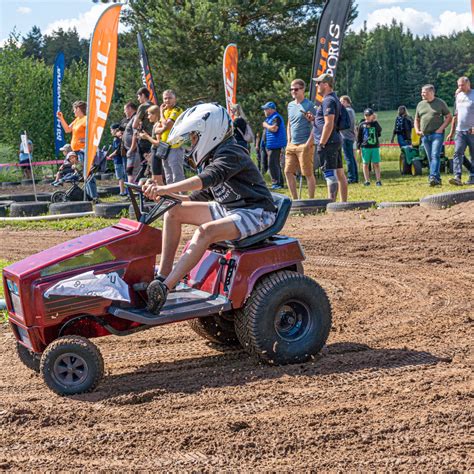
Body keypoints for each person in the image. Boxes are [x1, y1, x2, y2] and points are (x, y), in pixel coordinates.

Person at [141, 103, 277, 314]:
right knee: (173, 211)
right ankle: (164, 273)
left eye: (194, 137)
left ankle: (164, 288)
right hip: (228, 209)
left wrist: (164, 187)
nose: (192, 142)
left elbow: (204, 180)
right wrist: (162, 193)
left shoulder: (231, 153)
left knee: (206, 231)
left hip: (255, 211)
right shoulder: (211, 157)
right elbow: (188, 198)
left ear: (210, 133)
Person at [311, 73, 348, 201]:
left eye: (318, 83)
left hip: (329, 141)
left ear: (326, 85)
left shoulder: (328, 100)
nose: (316, 85)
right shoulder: (334, 99)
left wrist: (322, 143)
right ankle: (343, 202)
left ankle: (331, 202)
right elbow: (325, 121)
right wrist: (314, 119)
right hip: (335, 139)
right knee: (339, 173)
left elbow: (329, 123)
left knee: (329, 174)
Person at [57, 100, 98, 201]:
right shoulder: (77, 120)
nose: (73, 111)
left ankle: (94, 197)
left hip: (83, 151)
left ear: (79, 109)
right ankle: (89, 197)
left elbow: (93, 133)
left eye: (74, 109)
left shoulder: (86, 119)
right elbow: (67, 130)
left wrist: (84, 140)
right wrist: (61, 118)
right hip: (76, 152)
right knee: (82, 174)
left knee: (87, 174)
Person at [415, 84, 452, 186]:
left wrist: (441, 129)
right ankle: (437, 179)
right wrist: (417, 130)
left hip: (437, 135)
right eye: (422, 92)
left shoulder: (440, 103)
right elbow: (416, 119)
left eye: (424, 92)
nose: (422, 94)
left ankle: (432, 177)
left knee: (435, 155)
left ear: (431, 92)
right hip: (424, 135)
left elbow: (449, 117)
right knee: (430, 157)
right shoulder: (420, 104)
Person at [285, 79, 316, 199]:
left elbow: (316, 124)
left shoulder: (309, 105)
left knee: (307, 173)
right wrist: (288, 140)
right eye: (291, 89)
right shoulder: (290, 105)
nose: (293, 91)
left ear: (303, 90)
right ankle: (295, 199)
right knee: (288, 172)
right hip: (292, 144)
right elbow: (289, 123)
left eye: (296, 89)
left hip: (305, 144)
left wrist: (309, 142)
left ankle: (311, 200)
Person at [153, 89, 185, 184]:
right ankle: (172, 197)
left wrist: (161, 114)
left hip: (175, 146)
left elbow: (168, 124)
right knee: (168, 175)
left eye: (170, 98)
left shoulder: (177, 110)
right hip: (164, 147)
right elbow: (156, 130)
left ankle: (182, 197)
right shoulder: (166, 111)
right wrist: (163, 128)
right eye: (165, 98)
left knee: (177, 175)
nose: (167, 100)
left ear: (175, 99)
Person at [447, 76, 474, 186]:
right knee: (457, 153)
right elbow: (455, 115)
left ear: (468, 84)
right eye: (458, 85)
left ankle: (472, 177)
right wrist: (451, 132)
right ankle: (457, 177)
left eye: (462, 85)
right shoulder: (458, 96)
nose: (460, 87)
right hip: (460, 131)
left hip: (472, 131)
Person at [261, 101, 286, 189]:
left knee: (272, 164)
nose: (264, 111)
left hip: (276, 144)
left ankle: (276, 183)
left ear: (271, 109)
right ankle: (280, 183)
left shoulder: (276, 117)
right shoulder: (270, 118)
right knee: (275, 164)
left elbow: (274, 129)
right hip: (271, 144)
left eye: (265, 109)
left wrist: (266, 125)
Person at [137, 105, 165, 185]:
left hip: (157, 154)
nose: (148, 117)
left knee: (157, 180)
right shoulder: (155, 125)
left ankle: (163, 195)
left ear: (155, 114)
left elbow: (158, 143)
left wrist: (147, 137)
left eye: (149, 114)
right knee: (155, 179)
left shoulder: (158, 125)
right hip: (154, 153)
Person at [133, 87, 154, 182]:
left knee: (144, 164)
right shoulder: (154, 105)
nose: (138, 99)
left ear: (142, 95)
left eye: (138, 96)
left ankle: (138, 184)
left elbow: (134, 124)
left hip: (144, 139)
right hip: (153, 138)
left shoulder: (143, 106)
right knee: (151, 163)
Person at [357, 108, 383, 186]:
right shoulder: (362, 125)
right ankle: (367, 180)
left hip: (374, 146)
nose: (367, 117)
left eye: (369, 115)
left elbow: (379, 132)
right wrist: (359, 148)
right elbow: (359, 137)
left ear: (372, 115)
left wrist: (375, 121)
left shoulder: (375, 124)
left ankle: (378, 180)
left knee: (376, 164)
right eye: (366, 115)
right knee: (365, 164)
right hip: (365, 147)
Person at [339, 95, 358, 183]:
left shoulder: (347, 111)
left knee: (348, 158)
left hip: (346, 136)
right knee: (352, 158)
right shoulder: (352, 110)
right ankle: (355, 177)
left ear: (346, 102)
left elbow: (345, 124)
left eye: (342, 101)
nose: (340, 103)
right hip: (350, 136)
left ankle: (351, 178)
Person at [122, 101, 140, 184]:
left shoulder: (135, 118)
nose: (124, 112)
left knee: (133, 173)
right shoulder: (130, 119)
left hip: (134, 151)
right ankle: (132, 194)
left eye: (125, 109)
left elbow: (135, 134)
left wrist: (132, 149)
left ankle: (136, 193)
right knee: (129, 172)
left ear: (129, 109)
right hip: (130, 150)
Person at [108, 124, 128, 196]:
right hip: (120, 159)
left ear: (116, 130)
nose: (110, 132)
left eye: (111, 130)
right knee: (123, 176)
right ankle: (125, 191)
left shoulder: (117, 139)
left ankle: (122, 192)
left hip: (118, 160)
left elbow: (117, 150)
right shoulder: (118, 139)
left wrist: (111, 155)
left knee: (120, 177)